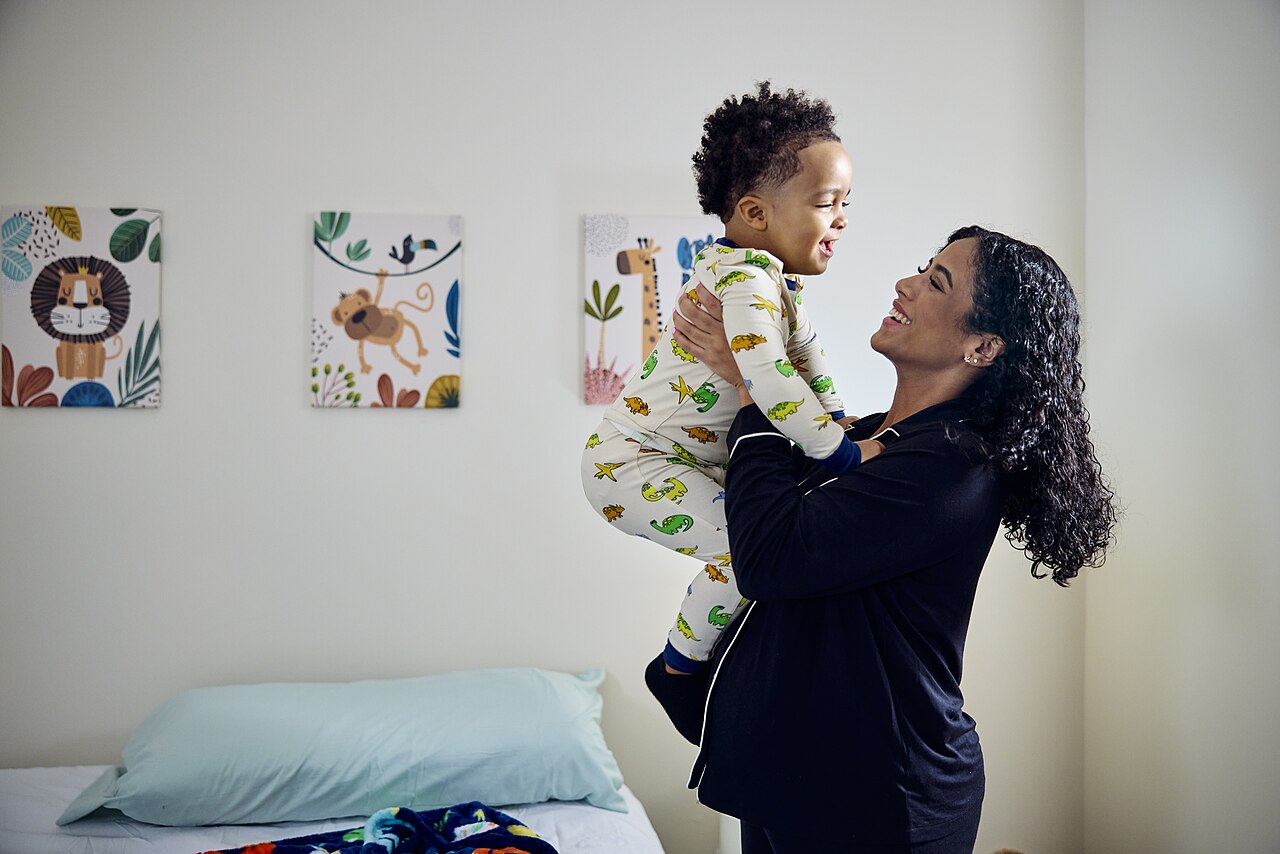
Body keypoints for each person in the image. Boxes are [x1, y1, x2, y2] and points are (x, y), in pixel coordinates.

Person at [646, 226, 1118, 853]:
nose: (906, 283)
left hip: (876, 799)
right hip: (788, 776)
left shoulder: (951, 466)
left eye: (935, 281)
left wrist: (755, 387)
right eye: (923, 268)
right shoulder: (868, 437)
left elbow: (769, 559)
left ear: (982, 345)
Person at [581, 82, 864, 675]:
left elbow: (808, 355)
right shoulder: (743, 282)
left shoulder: (771, 280)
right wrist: (839, 452)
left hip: (684, 460)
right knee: (749, 551)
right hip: (634, 462)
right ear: (756, 212)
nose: (841, 220)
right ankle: (680, 669)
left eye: (846, 203)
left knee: (765, 541)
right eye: (826, 203)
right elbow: (768, 375)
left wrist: (837, 416)